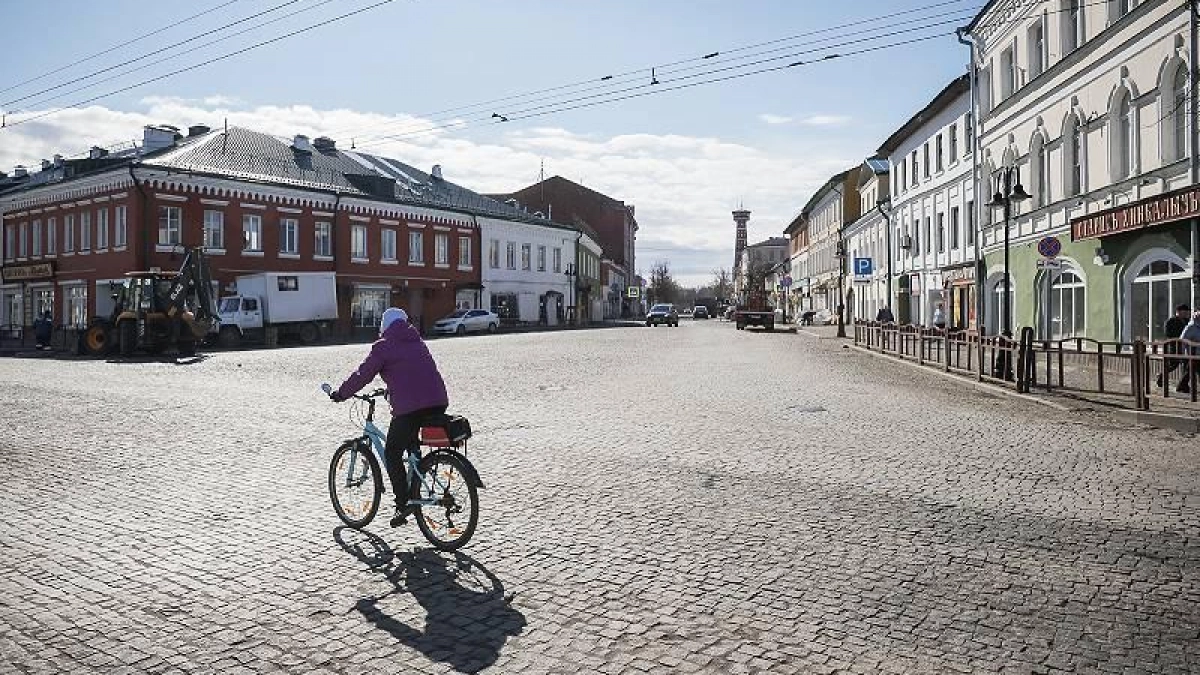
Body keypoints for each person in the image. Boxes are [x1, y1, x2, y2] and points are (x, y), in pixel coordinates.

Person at [330, 307, 449, 527]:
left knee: (392, 452)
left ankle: (403, 503)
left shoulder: (384, 346)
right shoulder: (418, 342)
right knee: (410, 442)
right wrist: (392, 389)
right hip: (438, 402)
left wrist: (341, 393)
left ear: (384, 325)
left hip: (411, 408)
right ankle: (415, 477)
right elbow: (413, 373)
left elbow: (362, 374)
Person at [1158, 304, 1190, 389]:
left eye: (1187, 312)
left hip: (1186, 347)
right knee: (1173, 365)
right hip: (1174, 347)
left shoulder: (1187, 321)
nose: (1186, 314)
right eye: (1184, 312)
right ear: (1178, 312)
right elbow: (1168, 334)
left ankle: (1183, 384)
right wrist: (1180, 337)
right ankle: (1161, 376)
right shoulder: (1170, 321)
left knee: (1187, 365)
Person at [1176, 310, 1200, 394]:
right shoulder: (1190, 327)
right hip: (1192, 354)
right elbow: (1182, 340)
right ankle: (1181, 386)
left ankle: (1181, 386)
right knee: (1189, 371)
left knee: (1189, 371)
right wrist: (1182, 354)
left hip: (1197, 354)